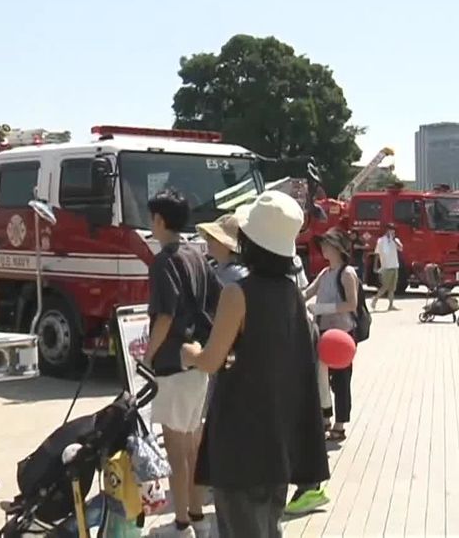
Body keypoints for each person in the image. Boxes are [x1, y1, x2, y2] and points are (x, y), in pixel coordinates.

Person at [181, 190, 330, 538]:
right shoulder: (292, 293)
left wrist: (189, 352)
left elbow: (211, 360)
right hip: (277, 442)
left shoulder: (238, 294)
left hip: (240, 440)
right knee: (267, 527)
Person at [144, 189, 219, 535]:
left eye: (152, 219)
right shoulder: (197, 255)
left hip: (172, 362)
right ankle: (197, 516)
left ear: (160, 220)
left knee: (175, 448)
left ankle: (181, 524)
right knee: (193, 442)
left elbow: (164, 317)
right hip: (198, 358)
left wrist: (147, 357)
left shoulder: (163, 262)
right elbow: (217, 299)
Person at [303, 228, 359, 443]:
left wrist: (322, 309)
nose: (323, 249)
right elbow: (308, 292)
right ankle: (325, 418)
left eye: (328, 244)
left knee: (341, 381)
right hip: (323, 333)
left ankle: (340, 423)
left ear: (338, 248)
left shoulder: (347, 273)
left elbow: (351, 304)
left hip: (342, 335)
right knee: (321, 378)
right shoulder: (325, 273)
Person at [370, 224, 402, 311]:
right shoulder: (381, 241)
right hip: (386, 266)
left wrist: (394, 240)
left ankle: (391, 305)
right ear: (387, 230)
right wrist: (375, 265)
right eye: (391, 230)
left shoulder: (395, 240)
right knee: (385, 286)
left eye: (394, 231)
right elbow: (377, 253)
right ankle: (375, 299)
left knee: (392, 288)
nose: (393, 232)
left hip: (394, 265)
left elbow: (400, 248)